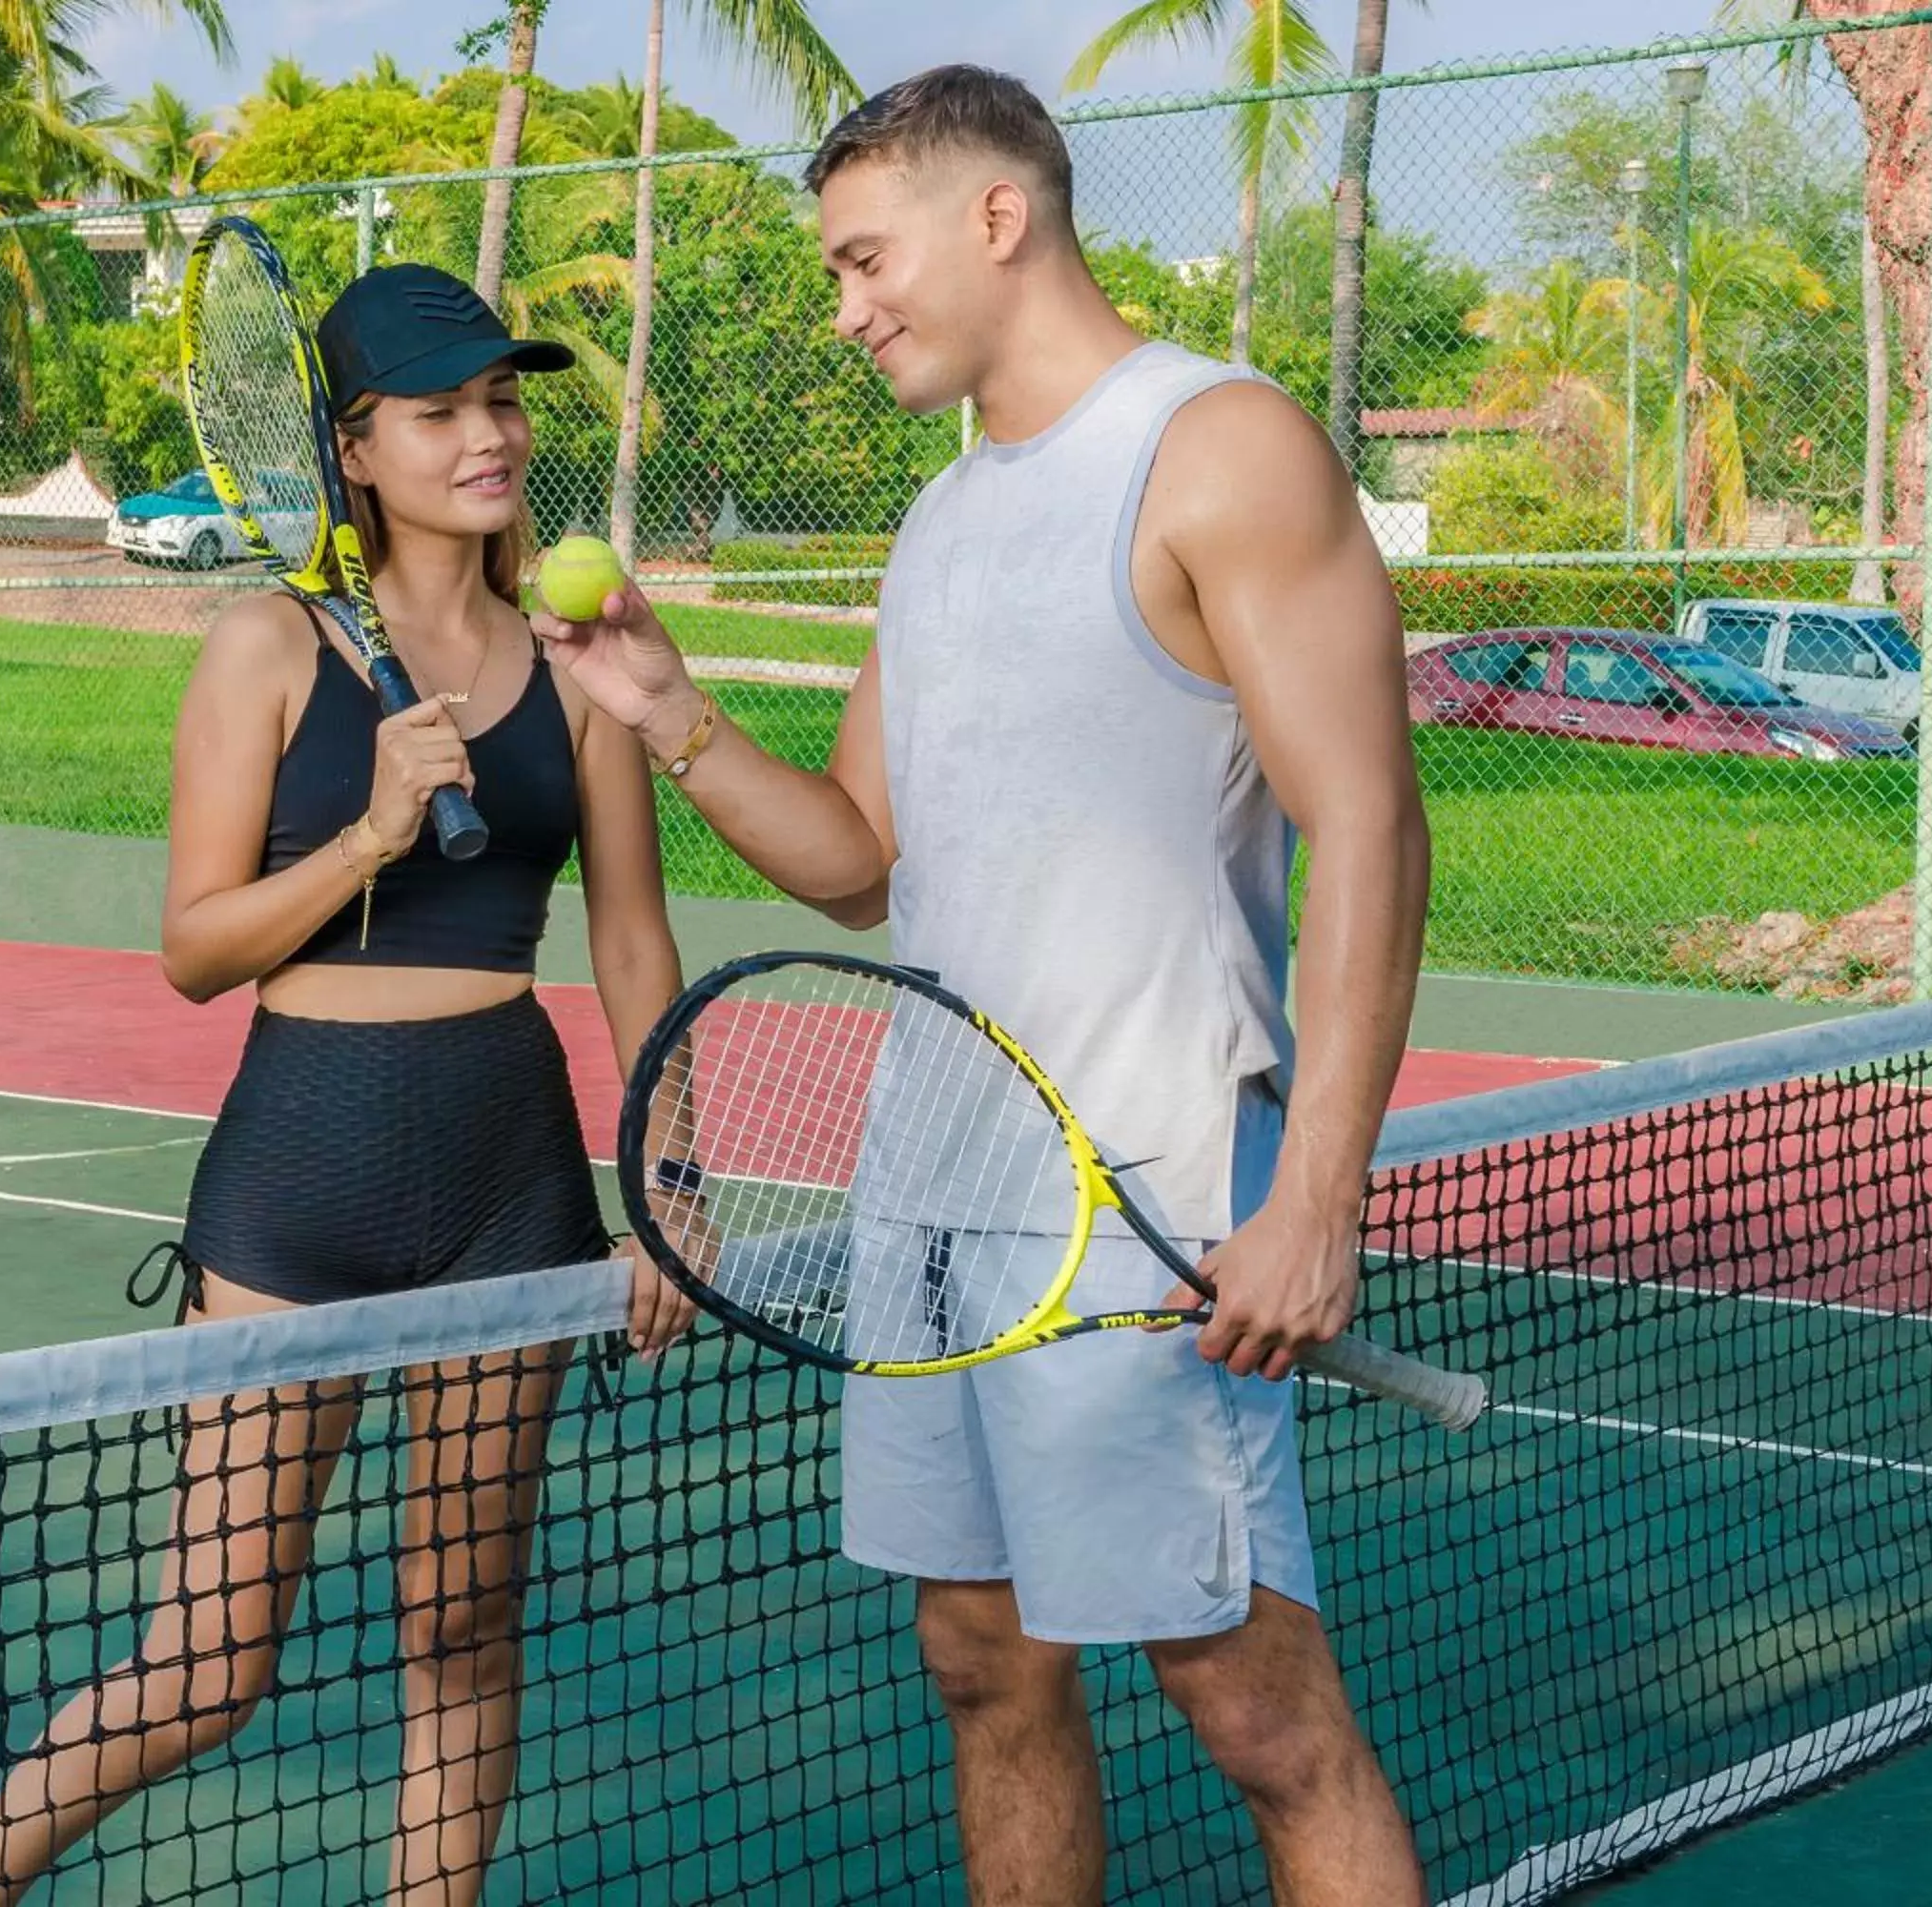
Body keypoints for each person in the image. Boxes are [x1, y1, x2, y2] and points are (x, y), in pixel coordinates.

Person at [534, 65, 1432, 1907]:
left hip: (1151, 1195)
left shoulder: (1222, 449)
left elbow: (1372, 826)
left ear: (997, 219)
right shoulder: (941, 526)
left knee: (1258, 1716)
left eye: (868, 260)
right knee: (978, 1660)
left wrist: (1319, 1194)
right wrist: (670, 713)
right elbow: (864, 861)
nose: (848, 305)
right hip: (932, 1199)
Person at [0, 262, 697, 1907]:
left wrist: (668, 1185)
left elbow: (639, 949)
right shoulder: (267, 647)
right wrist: (375, 834)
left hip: (511, 1183)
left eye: (505, 402)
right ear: (356, 447)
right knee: (213, 1660)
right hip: (298, 1176)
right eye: (443, 411)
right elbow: (194, 946)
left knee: (461, 1627)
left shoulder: (580, 659)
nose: (489, 435)